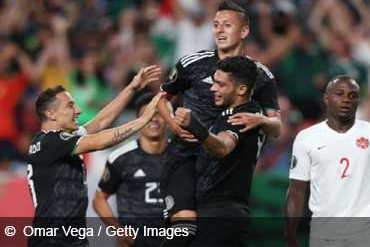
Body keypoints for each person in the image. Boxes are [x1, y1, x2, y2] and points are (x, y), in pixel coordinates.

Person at [158, 1, 281, 245]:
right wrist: (174, 126)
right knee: (185, 230)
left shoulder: (260, 76)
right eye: (215, 25)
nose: (219, 31)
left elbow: (277, 127)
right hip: (184, 157)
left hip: (224, 169)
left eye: (227, 25)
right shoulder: (192, 63)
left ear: (244, 31)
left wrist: (259, 119)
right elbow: (162, 99)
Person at [27, 65, 163, 247]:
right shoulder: (50, 142)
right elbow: (100, 141)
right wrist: (142, 120)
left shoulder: (55, 142)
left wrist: (132, 87)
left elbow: (101, 122)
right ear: (51, 114)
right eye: (70, 106)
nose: (78, 110)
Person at [173, 56, 265, 246]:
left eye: (220, 84)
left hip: (220, 213)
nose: (213, 88)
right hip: (222, 211)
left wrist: (195, 126)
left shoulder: (240, 117)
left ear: (241, 89)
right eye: (214, 82)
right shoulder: (245, 113)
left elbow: (223, 148)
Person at [285, 76, 370, 247]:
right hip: (324, 235)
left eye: (352, 95)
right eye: (339, 94)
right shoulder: (307, 138)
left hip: (368, 233)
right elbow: (296, 190)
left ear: (358, 100)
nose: (346, 100)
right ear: (326, 99)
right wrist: (290, 234)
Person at [93, 93, 169, 247]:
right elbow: (99, 199)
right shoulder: (121, 158)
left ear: (168, 119)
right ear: (138, 121)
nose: (154, 119)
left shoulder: (181, 155)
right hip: (135, 242)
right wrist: (118, 231)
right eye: (147, 115)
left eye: (159, 114)